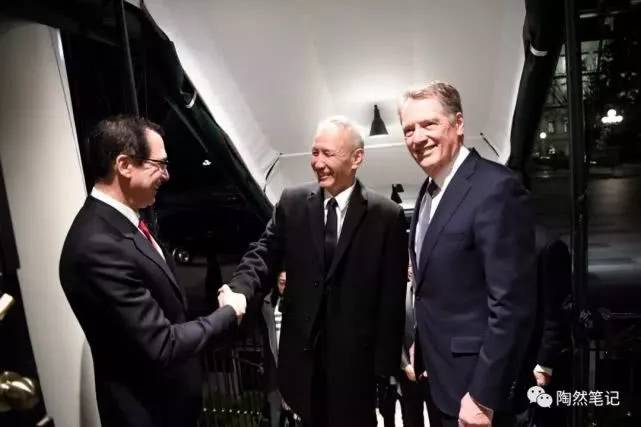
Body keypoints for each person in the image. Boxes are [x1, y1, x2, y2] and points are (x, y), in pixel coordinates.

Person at [59, 116, 246, 427]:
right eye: (159, 164)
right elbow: (162, 344)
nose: (167, 175)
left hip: (172, 407)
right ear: (124, 165)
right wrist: (228, 314)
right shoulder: (97, 245)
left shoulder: (125, 222)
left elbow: (169, 307)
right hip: (149, 415)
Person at [223, 116, 408, 427]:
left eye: (328, 154)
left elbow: (391, 302)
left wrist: (385, 374)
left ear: (357, 158)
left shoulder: (386, 216)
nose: (317, 163)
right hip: (302, 371)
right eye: (314, 152)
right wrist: (240, 290)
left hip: (356, 374)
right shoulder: (291, 203)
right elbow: (262, 255)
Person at [398, 81, 536, 427]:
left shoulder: (495, 187)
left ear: (458, 123)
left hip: (478, 395)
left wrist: (483, 396)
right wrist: (422, 348)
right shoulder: (428, 192)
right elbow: (434, 289)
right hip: (440, 382)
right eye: (409, 130)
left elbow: (512, 305)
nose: (417, 138)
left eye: (429, 124)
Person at [262, 271, 297, 427]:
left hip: (293, 365)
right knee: (275, 416)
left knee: (296, 416)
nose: (285, 287)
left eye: (287, 283)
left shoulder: (299, 302)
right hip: (275, 367)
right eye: (281, 283)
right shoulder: (268, 303)